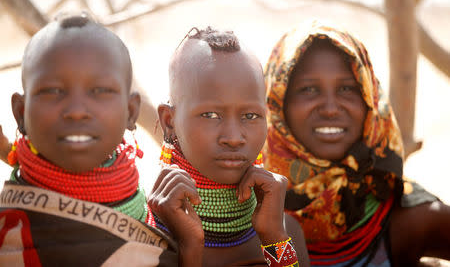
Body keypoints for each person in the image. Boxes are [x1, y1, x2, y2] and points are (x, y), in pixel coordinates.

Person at [0, 14, 199, 266]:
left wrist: (190, 249)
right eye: (52, 91)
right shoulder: (9, 232)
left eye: (100, 91)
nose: (77, 110)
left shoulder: (161, 218)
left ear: (131, 112)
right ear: (20, 112)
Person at [263, 21, 450, 266]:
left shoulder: (408, 218)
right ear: (277, 105)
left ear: (369, 101)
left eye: (347, 88)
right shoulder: (244, 212)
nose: (330, 109)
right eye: (308, 89)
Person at [149, 27, 310, 267]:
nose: (234, 138)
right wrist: (188, 249)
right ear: (169, 121)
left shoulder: (283, 232)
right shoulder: (140, 233)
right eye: (211, 115)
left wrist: (273, 238)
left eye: (251, 116)